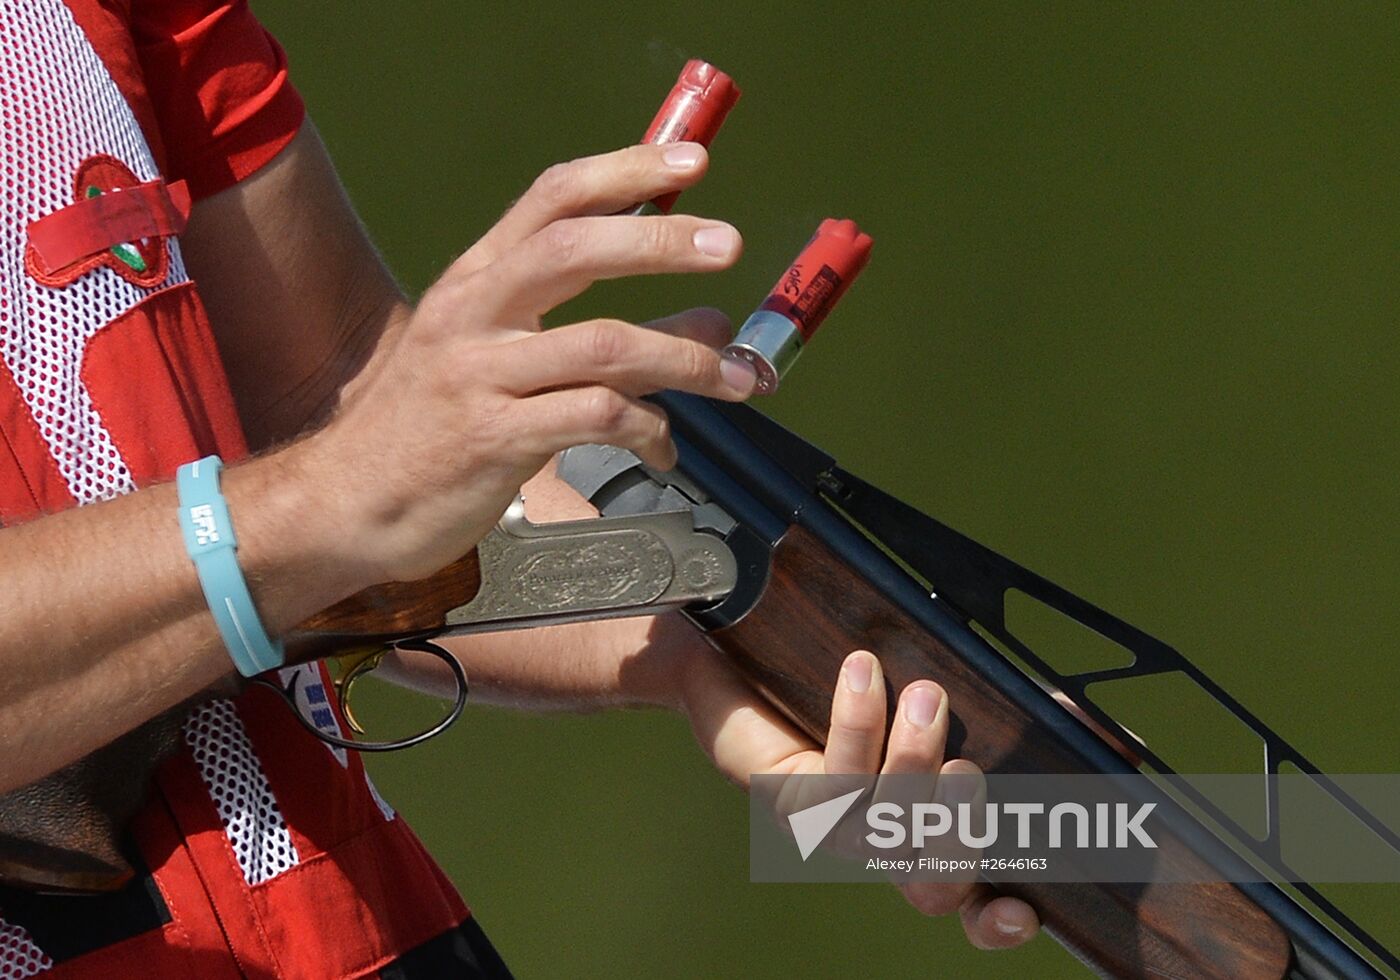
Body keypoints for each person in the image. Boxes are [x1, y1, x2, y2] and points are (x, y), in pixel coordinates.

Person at [0, 1, 1039, 974]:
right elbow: (347, 482)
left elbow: (347, 405)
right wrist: (321, 504)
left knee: (1053, 806)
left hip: (386, 933)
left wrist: (755, 663)